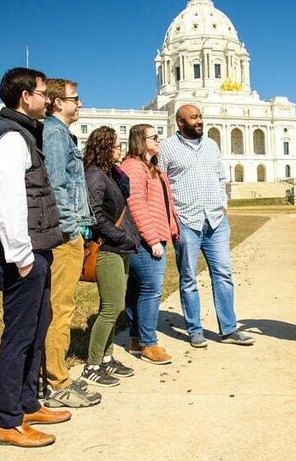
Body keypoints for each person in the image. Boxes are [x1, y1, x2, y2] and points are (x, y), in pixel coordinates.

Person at [0, 67, 71, 448]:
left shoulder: (23, 134)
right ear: (24, 97)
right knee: (18, 335)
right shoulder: (11, 137)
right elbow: (8, 199)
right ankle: (8, 421)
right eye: (42, 92)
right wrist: (20, 254)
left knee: (35, 329)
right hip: (24, 254)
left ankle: (29, 403)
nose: (48, 99)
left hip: (36, 248)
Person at [158, 104, 254, 348]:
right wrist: (171, 217)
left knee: (223, 274)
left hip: (216, 220)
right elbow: (161, 183)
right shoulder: (167, 148)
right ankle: (194, 330)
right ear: (180, 122)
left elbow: (221, 176)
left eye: (200, 116)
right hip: (186, 220)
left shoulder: (211, 145)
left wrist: (223, 203)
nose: (200, 121)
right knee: (188, 277)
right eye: (194, 118)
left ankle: (229, 329)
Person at [39, 78, 101, 408]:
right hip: (64, 235)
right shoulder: (53, 133)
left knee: (61, 306)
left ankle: (52, 377)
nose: (79, 104)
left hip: (70, 229)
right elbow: (56, 185)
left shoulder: (61, 134)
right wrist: (71, 229)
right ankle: (56, 383)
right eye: (74, 98)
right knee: (60, 308)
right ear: (56, 102)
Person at [80, 126, 141, 387]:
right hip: (107, 248)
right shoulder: (94, 175)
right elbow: (94, 215)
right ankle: (93, 364)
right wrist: (120, 236)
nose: (121, 149)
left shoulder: (111, 174)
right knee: (111, 308)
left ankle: (106, 358)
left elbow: (121, 199)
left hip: (120, 247)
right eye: (116, 146)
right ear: (105, 147)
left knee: (115, 308)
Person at [122, 124, 179, 364]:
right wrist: (153, 239)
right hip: (145, 240)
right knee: (151, 290)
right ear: (140, 140)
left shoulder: (151, 167)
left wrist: (172, 228)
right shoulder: (134, 167)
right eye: (154, 137)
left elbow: (163, 202)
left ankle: (136, 339)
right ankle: (148, 343)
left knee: (137, 289)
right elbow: (136, 205)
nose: (159, 140)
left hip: (153, 235)